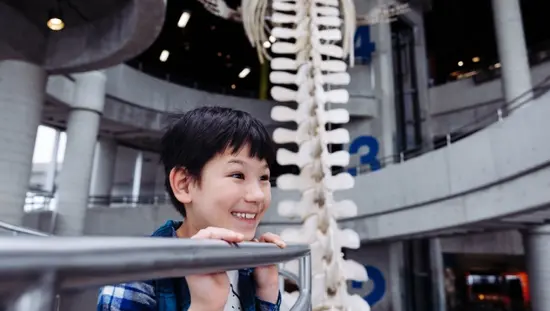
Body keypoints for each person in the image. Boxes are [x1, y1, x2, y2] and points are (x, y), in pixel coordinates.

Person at [97, 106, 285, 311]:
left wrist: (267, 294)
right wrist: (204, 307)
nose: (258, 195)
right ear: (184, 184)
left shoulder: (250, 266)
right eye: (238, 175)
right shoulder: (134, 274)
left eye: (264, 178)